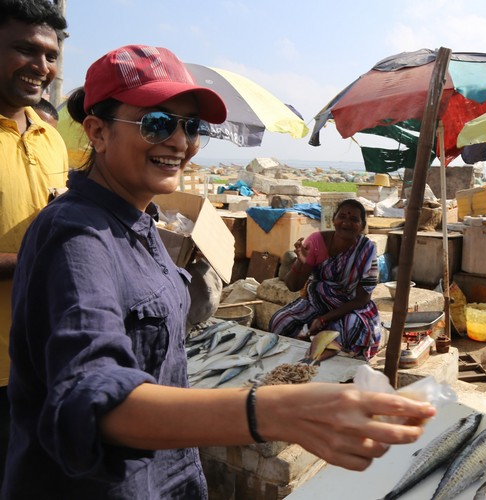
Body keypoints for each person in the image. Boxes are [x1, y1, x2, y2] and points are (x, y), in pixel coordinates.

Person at [3, 45, 434, 499]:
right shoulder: (77, 236)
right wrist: (267, 412)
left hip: (168, 475)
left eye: (192, 126)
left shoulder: (139, 221)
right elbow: (94, 400)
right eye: (156, 123)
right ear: (98, 132)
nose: (179, 142)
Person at [0, 0, 68, 487]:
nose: (41, 67)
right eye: (25, 50)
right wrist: (32, 257)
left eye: (50, 55)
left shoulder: (50, 137)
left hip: (46, 361)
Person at [269, 199, 381, 361]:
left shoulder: (366, 249)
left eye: (354, 220)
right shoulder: (315, 242)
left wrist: (323, 319)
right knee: (280, 321)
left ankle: (320, 352)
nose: (347, 223)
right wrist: (302, 263)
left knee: (351, 327)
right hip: (317, 301)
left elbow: (362, 299)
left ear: (362, 226)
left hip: (350, 307)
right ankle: (309, 349)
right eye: (342, 217)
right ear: (333, 220)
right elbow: (293, 286)